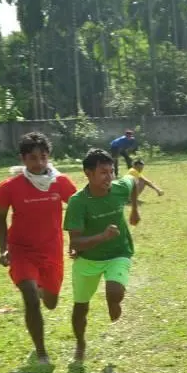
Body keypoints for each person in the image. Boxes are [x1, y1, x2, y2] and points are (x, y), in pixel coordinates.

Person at [0, 132, 78, 364]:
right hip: (21, 250)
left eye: (43, 157)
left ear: (48, 156)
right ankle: (41, 352)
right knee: (30, 298)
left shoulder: (61, 183)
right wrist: (3, 248)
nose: (39, 163)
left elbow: (79, 208)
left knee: (51, 303)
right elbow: (0, 218)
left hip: (51, 250)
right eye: (32, 158)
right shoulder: (9, 187)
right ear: (23, 159)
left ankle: (41, 287)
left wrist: (78, 240)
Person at [64, 148, 141, 361]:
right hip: (88, 259)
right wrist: (103, 236)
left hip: (119, 252)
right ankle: (80, 343)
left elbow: (133, 180)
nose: (109, 177)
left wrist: (135, 209)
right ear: (88, 174)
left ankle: (113, 303)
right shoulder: (78, 202)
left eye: (111, 171)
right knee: (80, 308)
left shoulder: (119, 188)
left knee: (114, 292)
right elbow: (75, 242)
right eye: (103, 172)